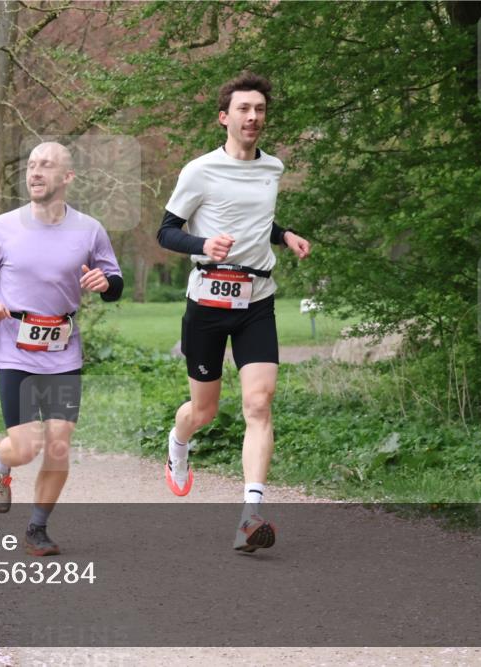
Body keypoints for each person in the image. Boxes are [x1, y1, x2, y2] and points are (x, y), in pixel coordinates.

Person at [156, 72, 311, 552]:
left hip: (257, 301)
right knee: (202, 411)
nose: (253, 117)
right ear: (224, 117)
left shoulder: (273, 168)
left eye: (260, 109)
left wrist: (282, 234)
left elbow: (255, 219)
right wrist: (203, 244)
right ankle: (178, 444)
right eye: (244, 109)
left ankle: (250, 515)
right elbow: (166, 231)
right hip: (206, 303)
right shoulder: (199, 170)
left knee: (259, 404)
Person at [0, 141, 123, 556]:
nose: (34, 172)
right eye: (31, 165)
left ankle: (37, 527)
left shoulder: (89, 229)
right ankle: (0, 462)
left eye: (46, 166)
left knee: (58, 443)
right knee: (26, 446)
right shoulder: (3, 226)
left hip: (62, 349)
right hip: (13, 347)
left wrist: (105, 284)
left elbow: (113, 281)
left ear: (67, 177)